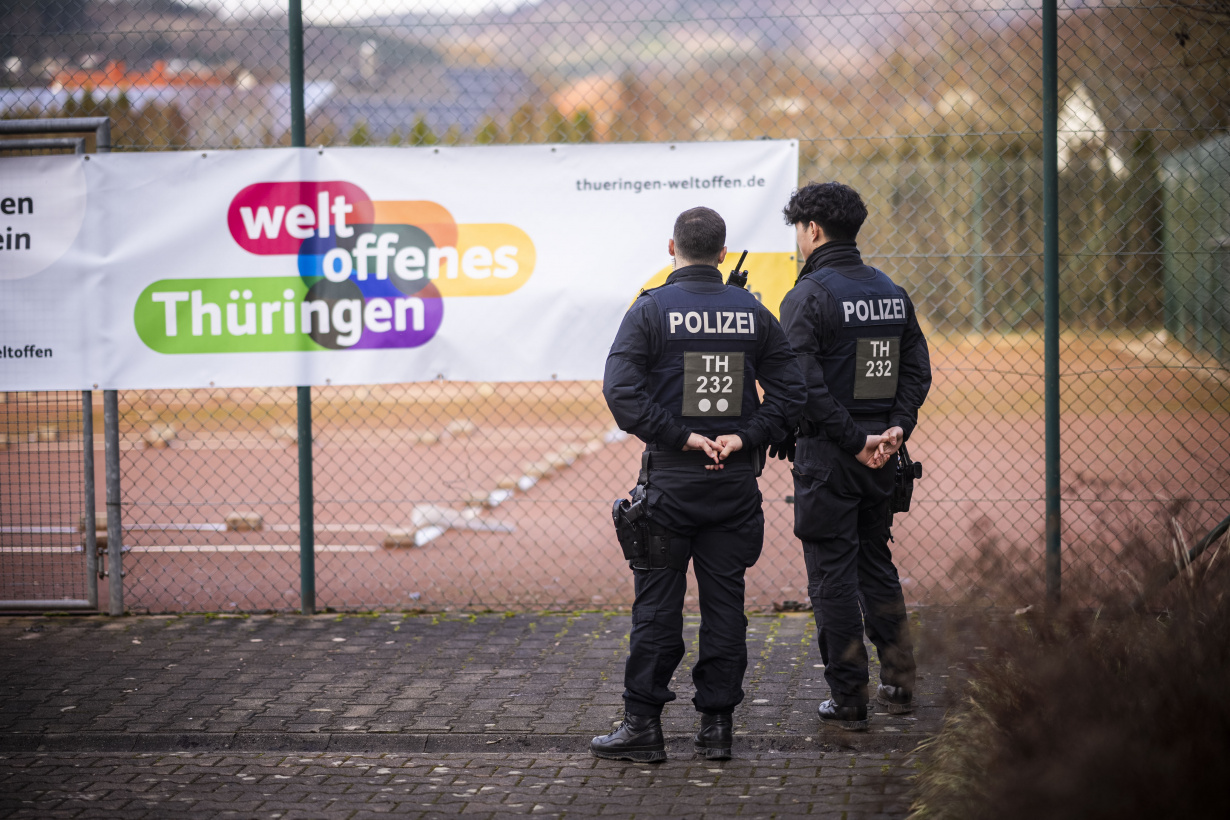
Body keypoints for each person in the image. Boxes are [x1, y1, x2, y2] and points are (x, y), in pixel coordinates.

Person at [593, 206, 805, 762]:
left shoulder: (651, 310)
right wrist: (745, 436)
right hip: (734, 485)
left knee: (658, 609)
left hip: (671, 484)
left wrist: (681, 437)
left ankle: (643, 728)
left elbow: (621, 393)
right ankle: (716, 730)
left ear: (671, 248)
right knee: (725, 608)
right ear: (721, 252)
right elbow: (791, 395)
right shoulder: (754, 312)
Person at [775, 182, 932, 731]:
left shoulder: (808, 296)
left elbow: (801, 384)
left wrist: (852, 438)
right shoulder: (892, 291)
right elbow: (917, 371)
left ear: (812, 229)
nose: (798, 240)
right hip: (883, 458)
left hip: (831, 457)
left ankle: (849, 698)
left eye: (798, 230)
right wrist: (894, 430)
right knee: (875, 563)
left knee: (832, 578)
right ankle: (900, 679)